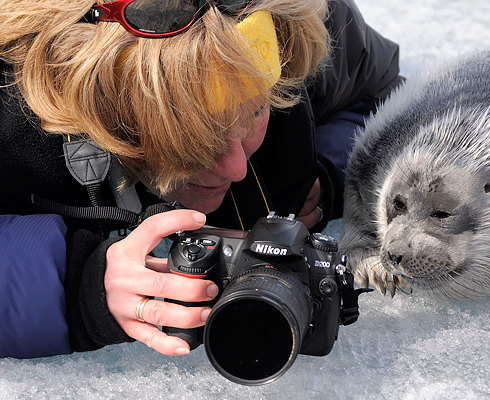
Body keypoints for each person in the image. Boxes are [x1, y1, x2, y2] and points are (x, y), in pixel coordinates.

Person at [0, 0, 402, 358]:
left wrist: (332, 173)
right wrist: (80, 287)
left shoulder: (291, 20)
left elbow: (378, 92)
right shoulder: (10, 102)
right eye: (195, 141)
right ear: (103, 113)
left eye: (255, 113)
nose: (235, 168)